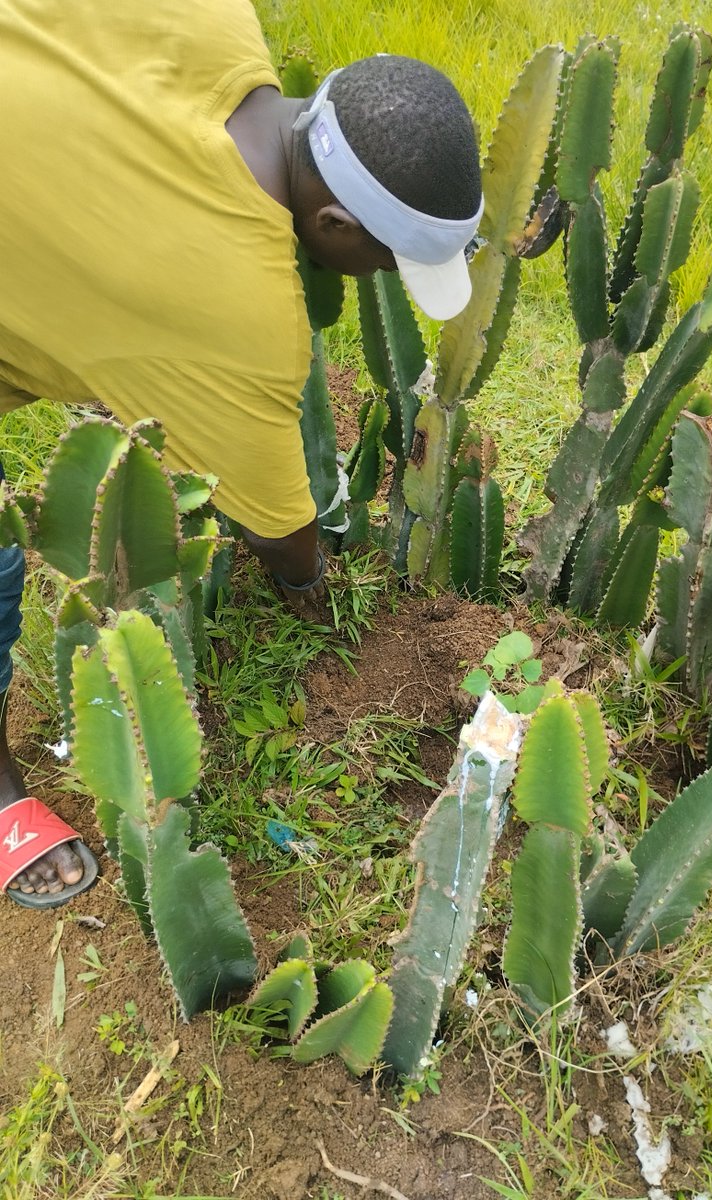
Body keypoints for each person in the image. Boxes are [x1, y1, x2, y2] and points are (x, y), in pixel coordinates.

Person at [0, 0, 483, 906]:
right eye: (387, 262)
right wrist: (311, 592)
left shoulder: (214, 13)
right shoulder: (240, 320)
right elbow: (278, 529)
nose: (384, 281)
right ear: (336, 225)